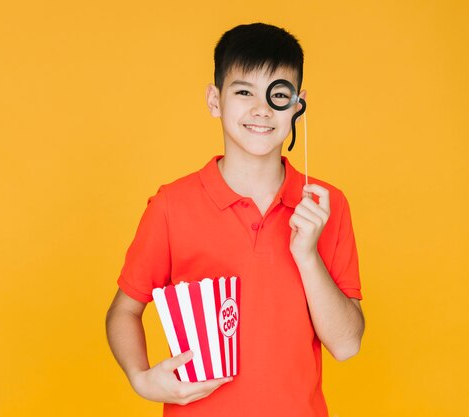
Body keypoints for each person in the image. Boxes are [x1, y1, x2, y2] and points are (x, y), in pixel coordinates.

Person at [106, 22, 365, 417]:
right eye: (244, 92)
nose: (261, 110)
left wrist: (308, 255)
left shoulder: (325, 206)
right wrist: (141, 377)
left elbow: (346, 345)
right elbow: (124, 310)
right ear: (215, 100)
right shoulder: (171, 206)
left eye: (278, 95)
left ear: (298, 105)